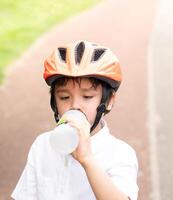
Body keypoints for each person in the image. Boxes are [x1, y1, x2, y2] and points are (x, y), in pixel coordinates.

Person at [11, 40, 139, 200]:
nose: (75, 106)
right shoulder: (42, 146)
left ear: (109, 100)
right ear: (54, 102)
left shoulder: (120, 154)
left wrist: (86, 159)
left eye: (87, 97)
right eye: (64, 97)